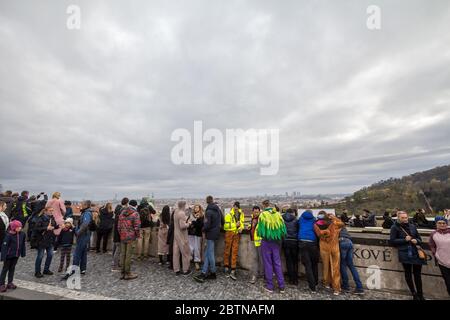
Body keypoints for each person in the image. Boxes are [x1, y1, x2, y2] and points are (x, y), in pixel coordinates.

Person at [390, 211, 427, 300]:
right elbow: (392, 241)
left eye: (406, 217)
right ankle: (414, 294)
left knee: (418, 274)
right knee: (408, 274)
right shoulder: (394, 227)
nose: (405, 219)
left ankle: (420, 295)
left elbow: (420, 239)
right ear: (398, 218)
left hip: (415, 252)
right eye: (403, 218)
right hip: (405, 253)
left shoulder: (412, 226)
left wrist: (416, 241)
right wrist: (404, 240)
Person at [257, 200, 287, 293]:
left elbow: (260, 231)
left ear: (263, 206)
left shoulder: (262, 215)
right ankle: (281, 286)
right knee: (277, 263)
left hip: (266, 242)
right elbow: (283, 230)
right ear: (270, 205)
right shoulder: (278, 214)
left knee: (268, 263)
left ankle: (270, 286)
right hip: (276, 242)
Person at [194, 196, 223, 283]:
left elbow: (207, 225)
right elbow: (223, 220)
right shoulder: (218, 209)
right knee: (207, 253)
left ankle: (213, 272)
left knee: (210, 254)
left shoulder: (208, 211)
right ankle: (204, 272)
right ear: (212, 201)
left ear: (207, 201)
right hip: (216, 233)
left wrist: (203, 229)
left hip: (210, 234)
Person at [314, 211, 345, 296]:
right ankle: (336, 288)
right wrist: (334, 217)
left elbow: (318, 234)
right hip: (334, 246)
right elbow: (342, 224)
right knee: (335, 267)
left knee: (325, 266)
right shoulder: (334, 223)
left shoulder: (316, 225)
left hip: (323, 247)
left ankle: (327, 283)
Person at [62, 200, 93, 279]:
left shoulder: (86, 213)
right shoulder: (87, 212)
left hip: (83, 236)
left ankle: (73, 271)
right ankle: (83, 269)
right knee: (83, 253)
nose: (80, 205)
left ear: (86, 205)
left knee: (77, 253)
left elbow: (85, 224)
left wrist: (78, 232)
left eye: (82, 204)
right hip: (85, 235)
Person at [33, 206, 59, 278]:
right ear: (45, 211)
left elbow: (54, 226)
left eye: (52, 210)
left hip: (50, 239)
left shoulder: (52, 218)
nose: (51, 212)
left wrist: (58, 226)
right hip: (41, 240)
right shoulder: (40, 218)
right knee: (40, 256)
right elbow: (36, 228)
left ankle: (46, 269)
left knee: (50, 255)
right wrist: (46, 228)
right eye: (50, 210)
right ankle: (37, 272)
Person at [0, 220, 26, 293]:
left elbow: (23, 244)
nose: (20, 228)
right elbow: (4, 246)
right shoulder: (9, 235)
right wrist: (3, 257)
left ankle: (10, 283)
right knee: (5, 269)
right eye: (18, 227)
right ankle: (1, 284)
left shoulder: (22, 234)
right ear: (14, 228)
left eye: (20, 227)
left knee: (12, 268)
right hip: (8, 255)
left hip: (16, 255)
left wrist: (23, 253)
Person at [118, 199, 140, 280]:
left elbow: (119, 227)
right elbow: (137, 227)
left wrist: (121, 234)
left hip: (123, 236)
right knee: (128, 255)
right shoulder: (135, 214)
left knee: (123, 254)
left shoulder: (121, 214)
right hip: (131, 237)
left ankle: (122, 273)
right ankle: (127, 273)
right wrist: (137, 235)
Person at [298, 210, 319, 292]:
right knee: (314, 264)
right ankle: (316, 283)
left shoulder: (301, 220)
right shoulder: (314, 220)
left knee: (308, 265)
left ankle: (312, 286)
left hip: (302, 242)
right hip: (312, 243)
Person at [428, 216, 450, 296]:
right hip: (442, 262)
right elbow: (431, 245)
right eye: (439, 223)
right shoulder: (433, 234)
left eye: (444, 223)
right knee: (448, 284)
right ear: (436, 224)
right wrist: (435, 254)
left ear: (446, 224)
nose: (442, 224)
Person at [223, 201, 245, 280]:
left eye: (237, 207)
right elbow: (225, 226)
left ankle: (233, 268)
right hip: (229, 233)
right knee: (227, 250)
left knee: (234, 251)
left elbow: (241, 223)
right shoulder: (228, 215)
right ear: (233, 207)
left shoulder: (241, 214)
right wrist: (235, 225)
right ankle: (226, 266)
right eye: (235, 206)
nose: (236, 208)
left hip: (236, 234)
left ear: (238, 207)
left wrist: (240, 228)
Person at [339, 227, 364, 295]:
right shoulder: (342, 226)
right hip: (349, 242)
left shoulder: (333, 224)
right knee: (351, 265)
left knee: (343, 265)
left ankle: (346, 286)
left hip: (342, 242)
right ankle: (359, 287)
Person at [173, 200, 192, 276]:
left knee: (176, 253)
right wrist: (189, 223)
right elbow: (182, 226)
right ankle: (185, 270)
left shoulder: (176, 211)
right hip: (182, 235)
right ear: (184, 205)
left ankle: (176, 270)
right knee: (185, 252)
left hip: (176, 234)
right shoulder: (181, 213)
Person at [282, 208, 298, 285]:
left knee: (288, 260)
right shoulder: (296, 220)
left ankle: (290, 279)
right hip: (294, 242)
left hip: (286, 241)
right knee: (295, 261)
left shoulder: (282, 219)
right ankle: (295, 279)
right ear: (292, 213)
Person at [248, 206, 263, 284]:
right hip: (253, 241)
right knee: (255, 259)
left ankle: (260, 274)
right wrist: (249, 227)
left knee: (260, 259)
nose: (256, 213)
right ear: (253, 212)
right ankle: (255, 275)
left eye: (257, 212)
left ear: (259, 212)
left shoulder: (261, 219)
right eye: (255, 212)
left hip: (260, 242)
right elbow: (253, 228)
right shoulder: (252, 218)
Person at [188, 205, 204, 271]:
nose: (196, 208)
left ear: (200, 209)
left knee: (197, 248)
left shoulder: (201, 216)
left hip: (197, 234)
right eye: (195, 207)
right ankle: (190, 259)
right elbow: (187, 222)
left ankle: (197, 261)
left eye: (197, 207)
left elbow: (200, 225)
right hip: (191, 233)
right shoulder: (191, 215)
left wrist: (193, 222)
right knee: (190, 247)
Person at [111, 202, 123, 272]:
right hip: (118, 236)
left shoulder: (115, 217)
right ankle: (115, 266)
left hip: (115, 236)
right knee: (118, 251)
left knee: (115, 250)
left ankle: (115, 263)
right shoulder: (119, 218)